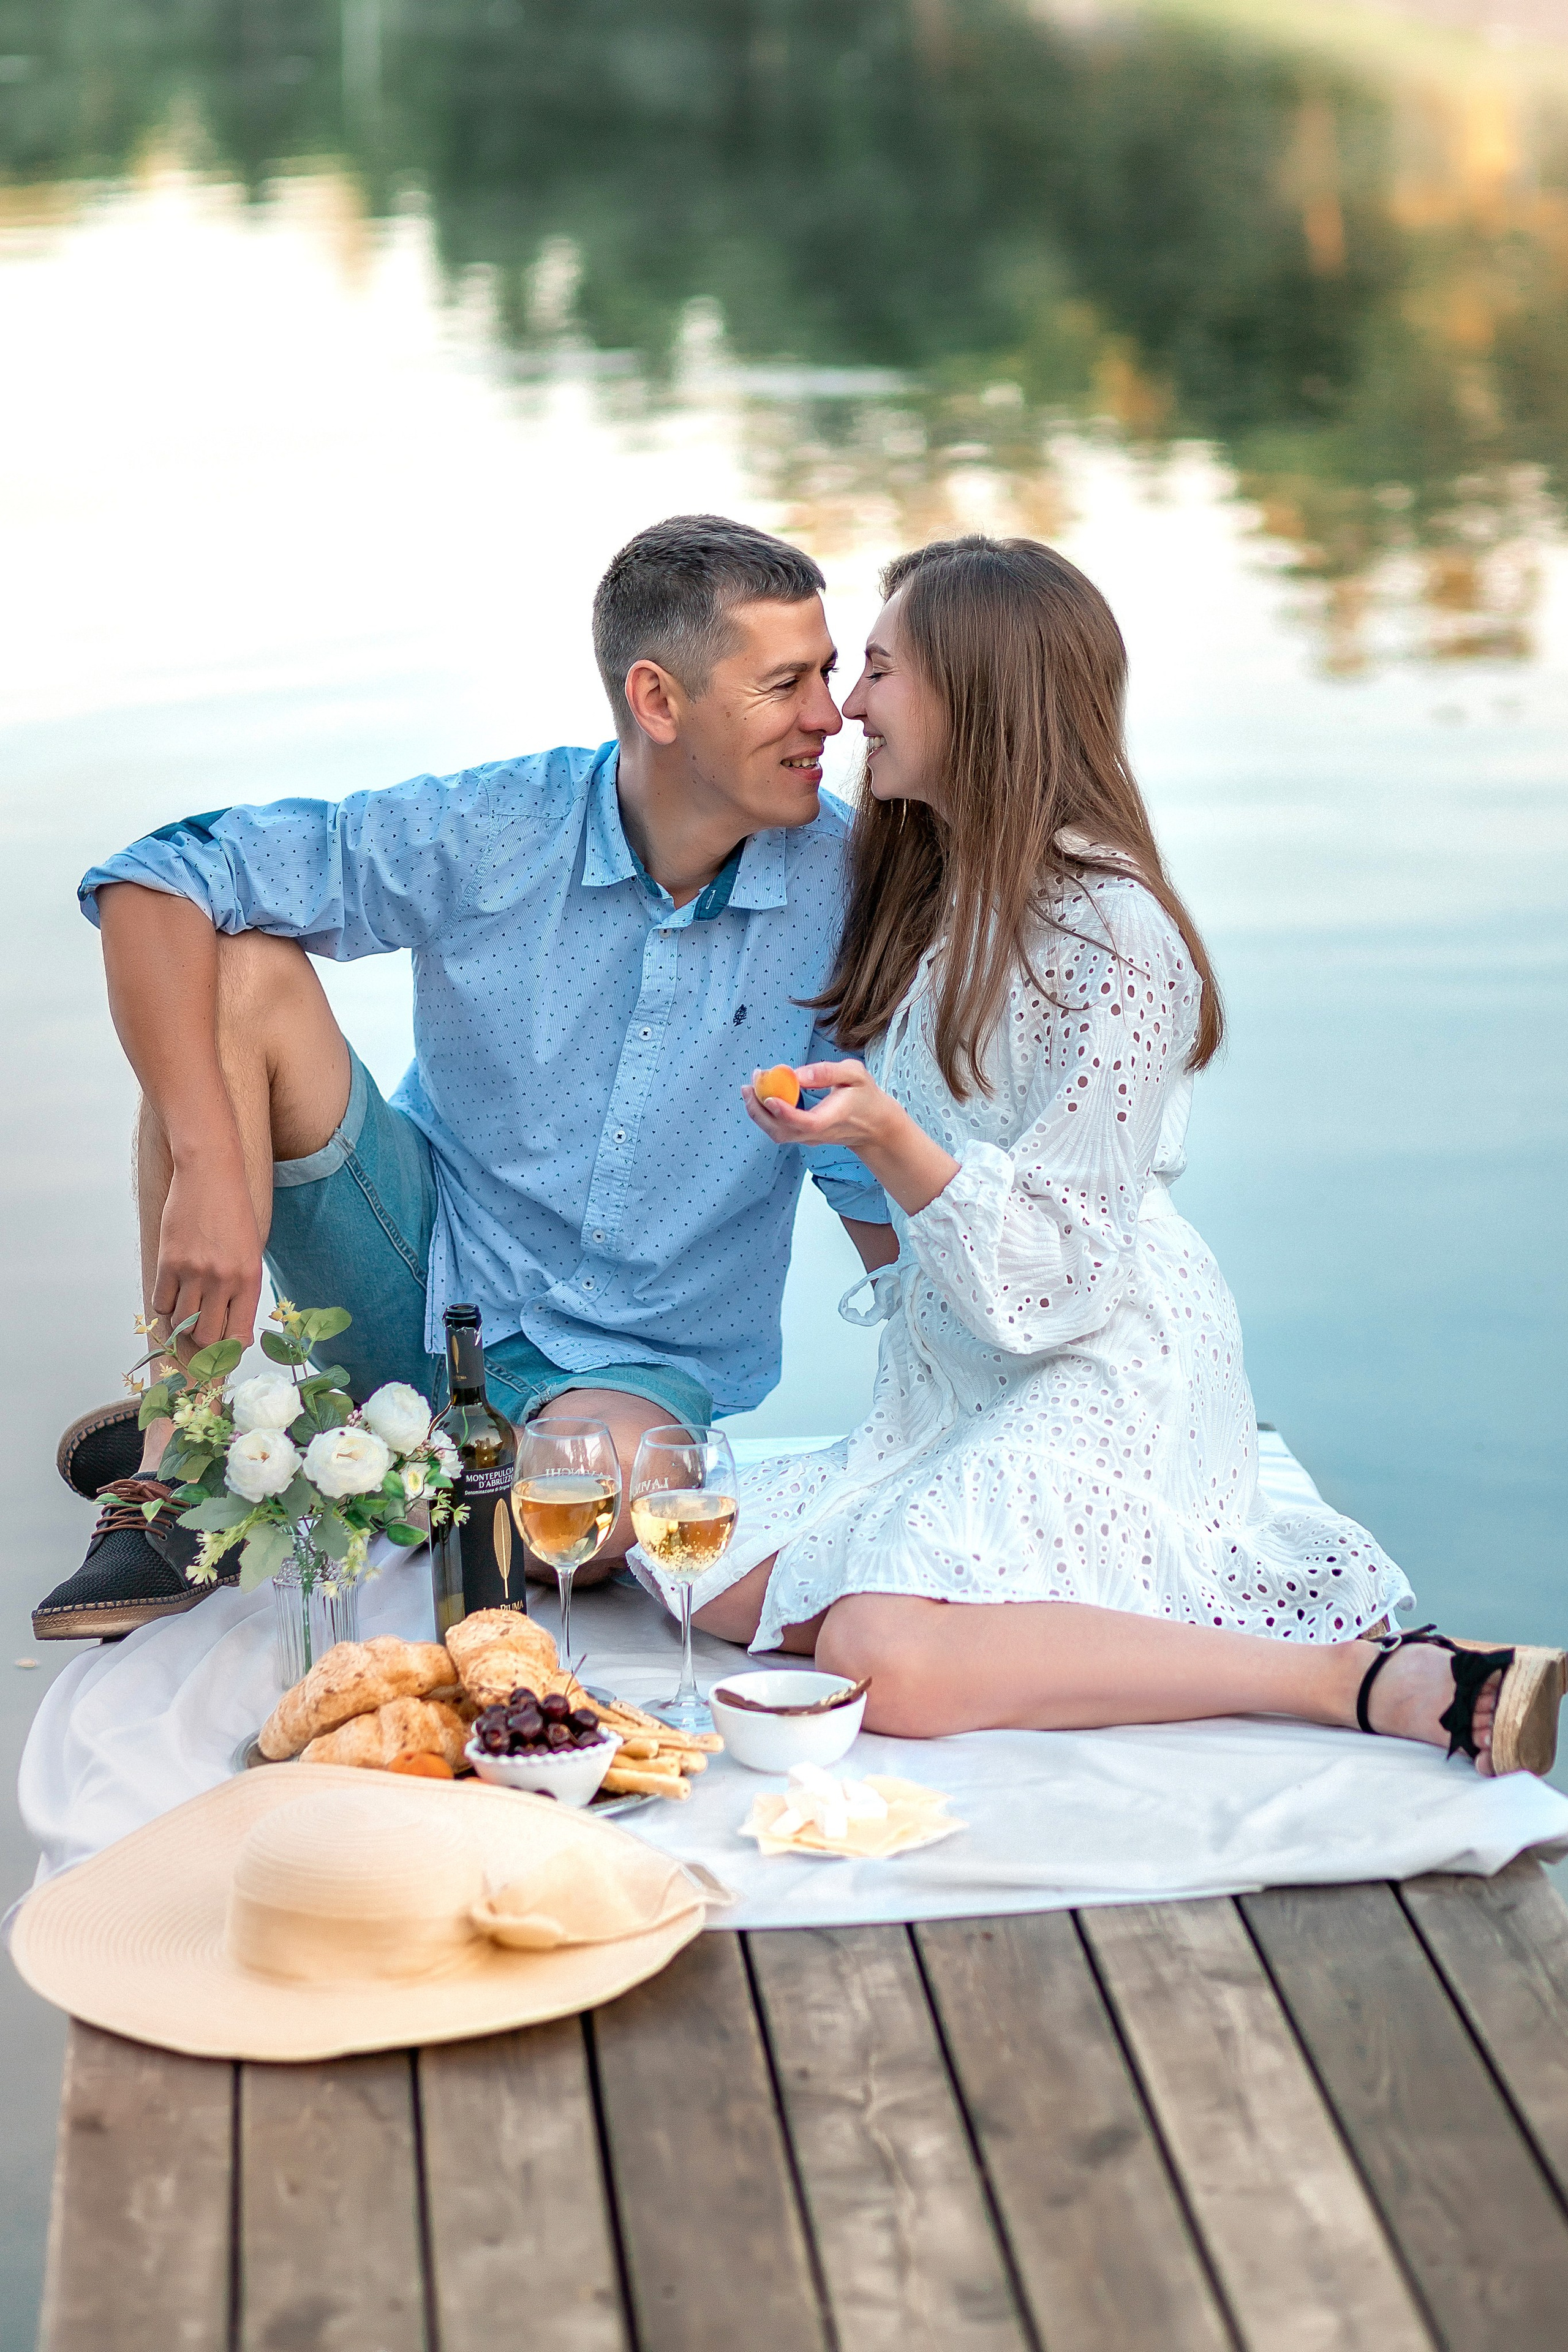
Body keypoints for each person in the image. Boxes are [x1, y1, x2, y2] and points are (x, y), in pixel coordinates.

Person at [674, 535, 1562, 1777]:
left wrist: (886, 1134)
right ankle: (1109, 1624)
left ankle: (1366, 1676)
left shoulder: (1113, 935)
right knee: (698, 1569)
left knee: (880, 1654)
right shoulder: (933, 888)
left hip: (1098, 1358)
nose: (850, 706)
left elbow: (1059, 1285)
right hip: (957, 1373)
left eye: (877, 671)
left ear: (977, 695)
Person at [36, 515, 894, 1641]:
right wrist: (204, 1162)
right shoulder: (497, 827)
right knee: (239, 964)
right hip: (418, 1270)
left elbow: (873, 1173)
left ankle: (329, 1444)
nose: (830, 717)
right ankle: (179, 1454)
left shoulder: (854, 891)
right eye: (787, 683)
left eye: (830, 675)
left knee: (569, 1534)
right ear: (659, 700)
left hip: (638, 1368)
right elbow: (155, 877)